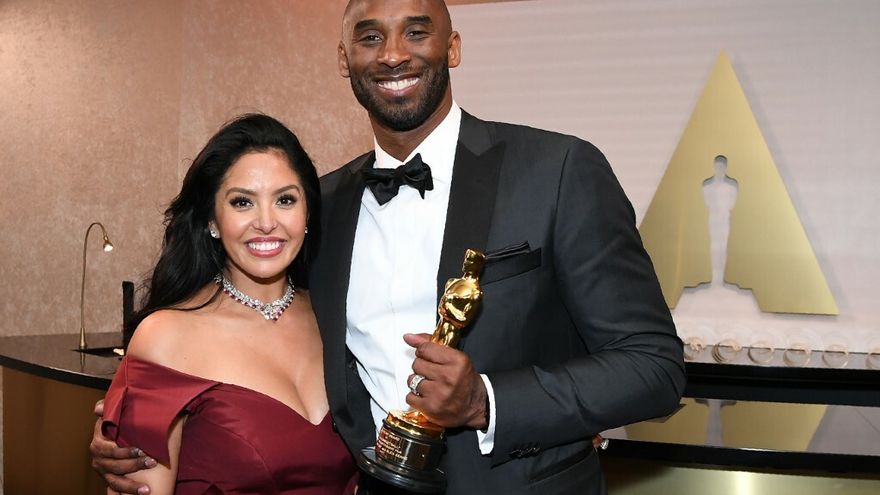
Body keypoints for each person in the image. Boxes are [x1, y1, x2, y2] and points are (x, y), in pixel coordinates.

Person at [93, 1, 685, 493]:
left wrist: (488, 402)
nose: (393, 54)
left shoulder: (558, 171)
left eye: (417, 32)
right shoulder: (319, 208)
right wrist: (140, 425)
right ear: (344, 59)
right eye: (370, 37)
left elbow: (654, 366)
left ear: (453, 47)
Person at [95, 113, 357, 494]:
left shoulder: (335, 317)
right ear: (212, 221)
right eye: (242, 202)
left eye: (285, 199)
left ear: (307, 215)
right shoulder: (164, 337)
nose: (266, 222)